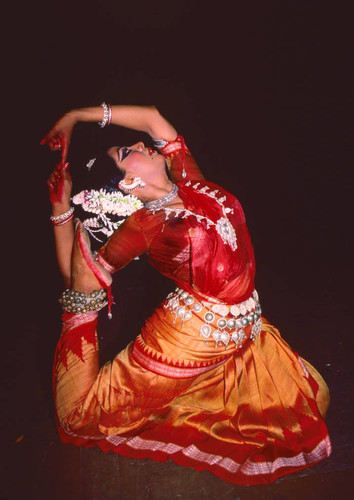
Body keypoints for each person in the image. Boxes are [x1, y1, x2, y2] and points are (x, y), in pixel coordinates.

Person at [41, 103, 331, 485]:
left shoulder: (188, 180)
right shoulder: (145, 225)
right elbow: (81, 276)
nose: (142, 144)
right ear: (128, 184)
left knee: (310, 400)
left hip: (243, 328)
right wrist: (61, 210)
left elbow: (152, 117)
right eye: (128, 153)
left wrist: (75, 117)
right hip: (186, 339)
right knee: (83, 418)